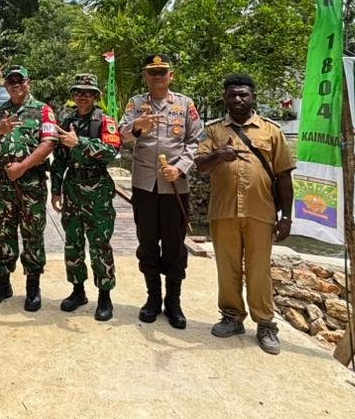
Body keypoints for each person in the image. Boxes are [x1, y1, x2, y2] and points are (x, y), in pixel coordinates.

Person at [195, 73, 295, 355]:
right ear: (224, 99)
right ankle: (231, 316)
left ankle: (264, 323)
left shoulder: (271, 131)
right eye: (232, 95)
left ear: (253, 97)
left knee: (259, 269)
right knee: (226, 267)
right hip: (223, 211)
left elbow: (284, 176)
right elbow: (200, 164)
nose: (238, 99)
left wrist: (286, 216)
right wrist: (218, 155)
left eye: (243, 94)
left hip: (260, 212)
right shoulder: (213, 131)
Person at [120, 54, 204, 329]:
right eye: (152, 73)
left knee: (174, 245)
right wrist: (137, 127)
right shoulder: (136, 104)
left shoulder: (185, 104)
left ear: (171, 76)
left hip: (174, 186)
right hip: (144, 184)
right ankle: (153, 298)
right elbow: (120, 135)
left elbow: (196, 141)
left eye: (162, 72)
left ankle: (174, 302)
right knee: (147, 242)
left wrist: (180, 168)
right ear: (145, 76)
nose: (157, 77)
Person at [0, 65, 58, 311]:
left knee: (32, 234)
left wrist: (23, 166)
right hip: (3, 187)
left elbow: (48, 144)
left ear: (28, 82)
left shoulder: (43, 111)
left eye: (20, 80)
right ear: (6, 85)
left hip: (31, 185)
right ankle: (3, 282)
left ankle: (33, 287)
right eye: (11, 80)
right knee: (2, 233)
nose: (16, 84)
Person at [50, 73, 122, 321]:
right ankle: (78, 291)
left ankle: (104, 296)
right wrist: (56, 189)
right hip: (72, 189)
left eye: (87, 92)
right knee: (73, 243)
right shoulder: (67, 120)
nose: (82, 96)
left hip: (98, 190)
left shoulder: (105, 121)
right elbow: (59, 160)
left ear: (95, 96)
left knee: (100, 243)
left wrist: (79, 142)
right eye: (78, 92)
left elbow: (112, 152)